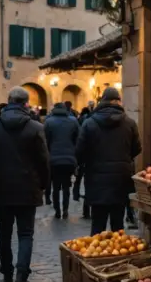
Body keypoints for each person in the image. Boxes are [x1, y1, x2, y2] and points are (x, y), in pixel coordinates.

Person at [0, 87, 50, 282]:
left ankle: (7, 277)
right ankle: (21, 275)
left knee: (4, 232)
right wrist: (44, 185)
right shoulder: (35, 127)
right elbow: (44, 161)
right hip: (28, 188)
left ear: (8, 100)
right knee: (26, 233)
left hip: (2, 187)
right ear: (26, 104)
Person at [76, 87, 142, 234]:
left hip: (96, 179)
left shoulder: (89, 123)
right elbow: (137, 148)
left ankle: (96, 255)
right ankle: (119, 256)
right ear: (117, 101)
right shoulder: (129, 123)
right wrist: (124, 159)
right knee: (118, 225)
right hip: (121, 179)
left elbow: (80, 151)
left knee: (98, 224)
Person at [44, 101, 79, 219]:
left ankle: (57, 210)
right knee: (66, 186)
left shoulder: (48, 122)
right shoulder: (73, 121)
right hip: (69, 159)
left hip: (53, 159)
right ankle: (65, 210)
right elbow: (77, 140)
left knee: (56, 186)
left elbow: (46, 142)